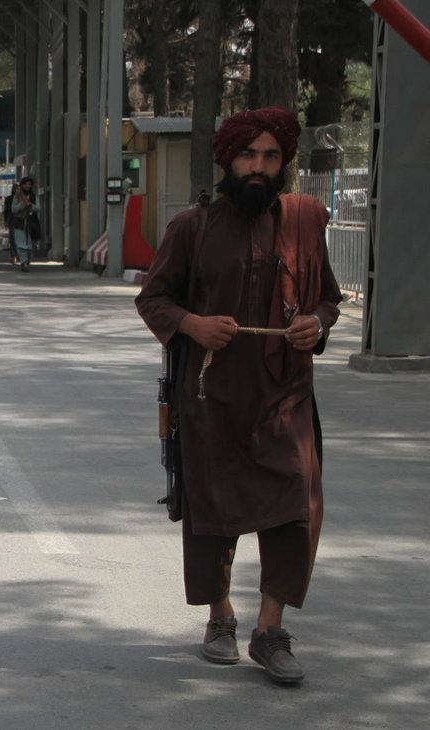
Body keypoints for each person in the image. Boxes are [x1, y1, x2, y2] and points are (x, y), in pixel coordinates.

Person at [135, 107, 343, 684]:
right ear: (228, 161)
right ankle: (220, 616)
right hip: (211, 396)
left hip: (284, 395)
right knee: (212, 509)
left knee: (295, 508)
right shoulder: (192, 227)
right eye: (248, 155)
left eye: (271, 156)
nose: (258, 166)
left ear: (283, 164)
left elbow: (327, 298)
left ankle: (270, 631)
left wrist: (317, 324)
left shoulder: (303, 223)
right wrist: (193, 324)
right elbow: (153, 299)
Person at [9, 176, 40, 271]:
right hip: (19, 222)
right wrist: (23, 204)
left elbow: (38, 208)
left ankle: (27, 261)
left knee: (30, 245)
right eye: (25, 184)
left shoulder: (34, 196)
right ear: (22, 185)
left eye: (29, 184)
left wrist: (30, 204)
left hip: (31, 222)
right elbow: (13, 209)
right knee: (21, 244)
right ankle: (23, 262)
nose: (27, 186)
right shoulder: (17, 196)